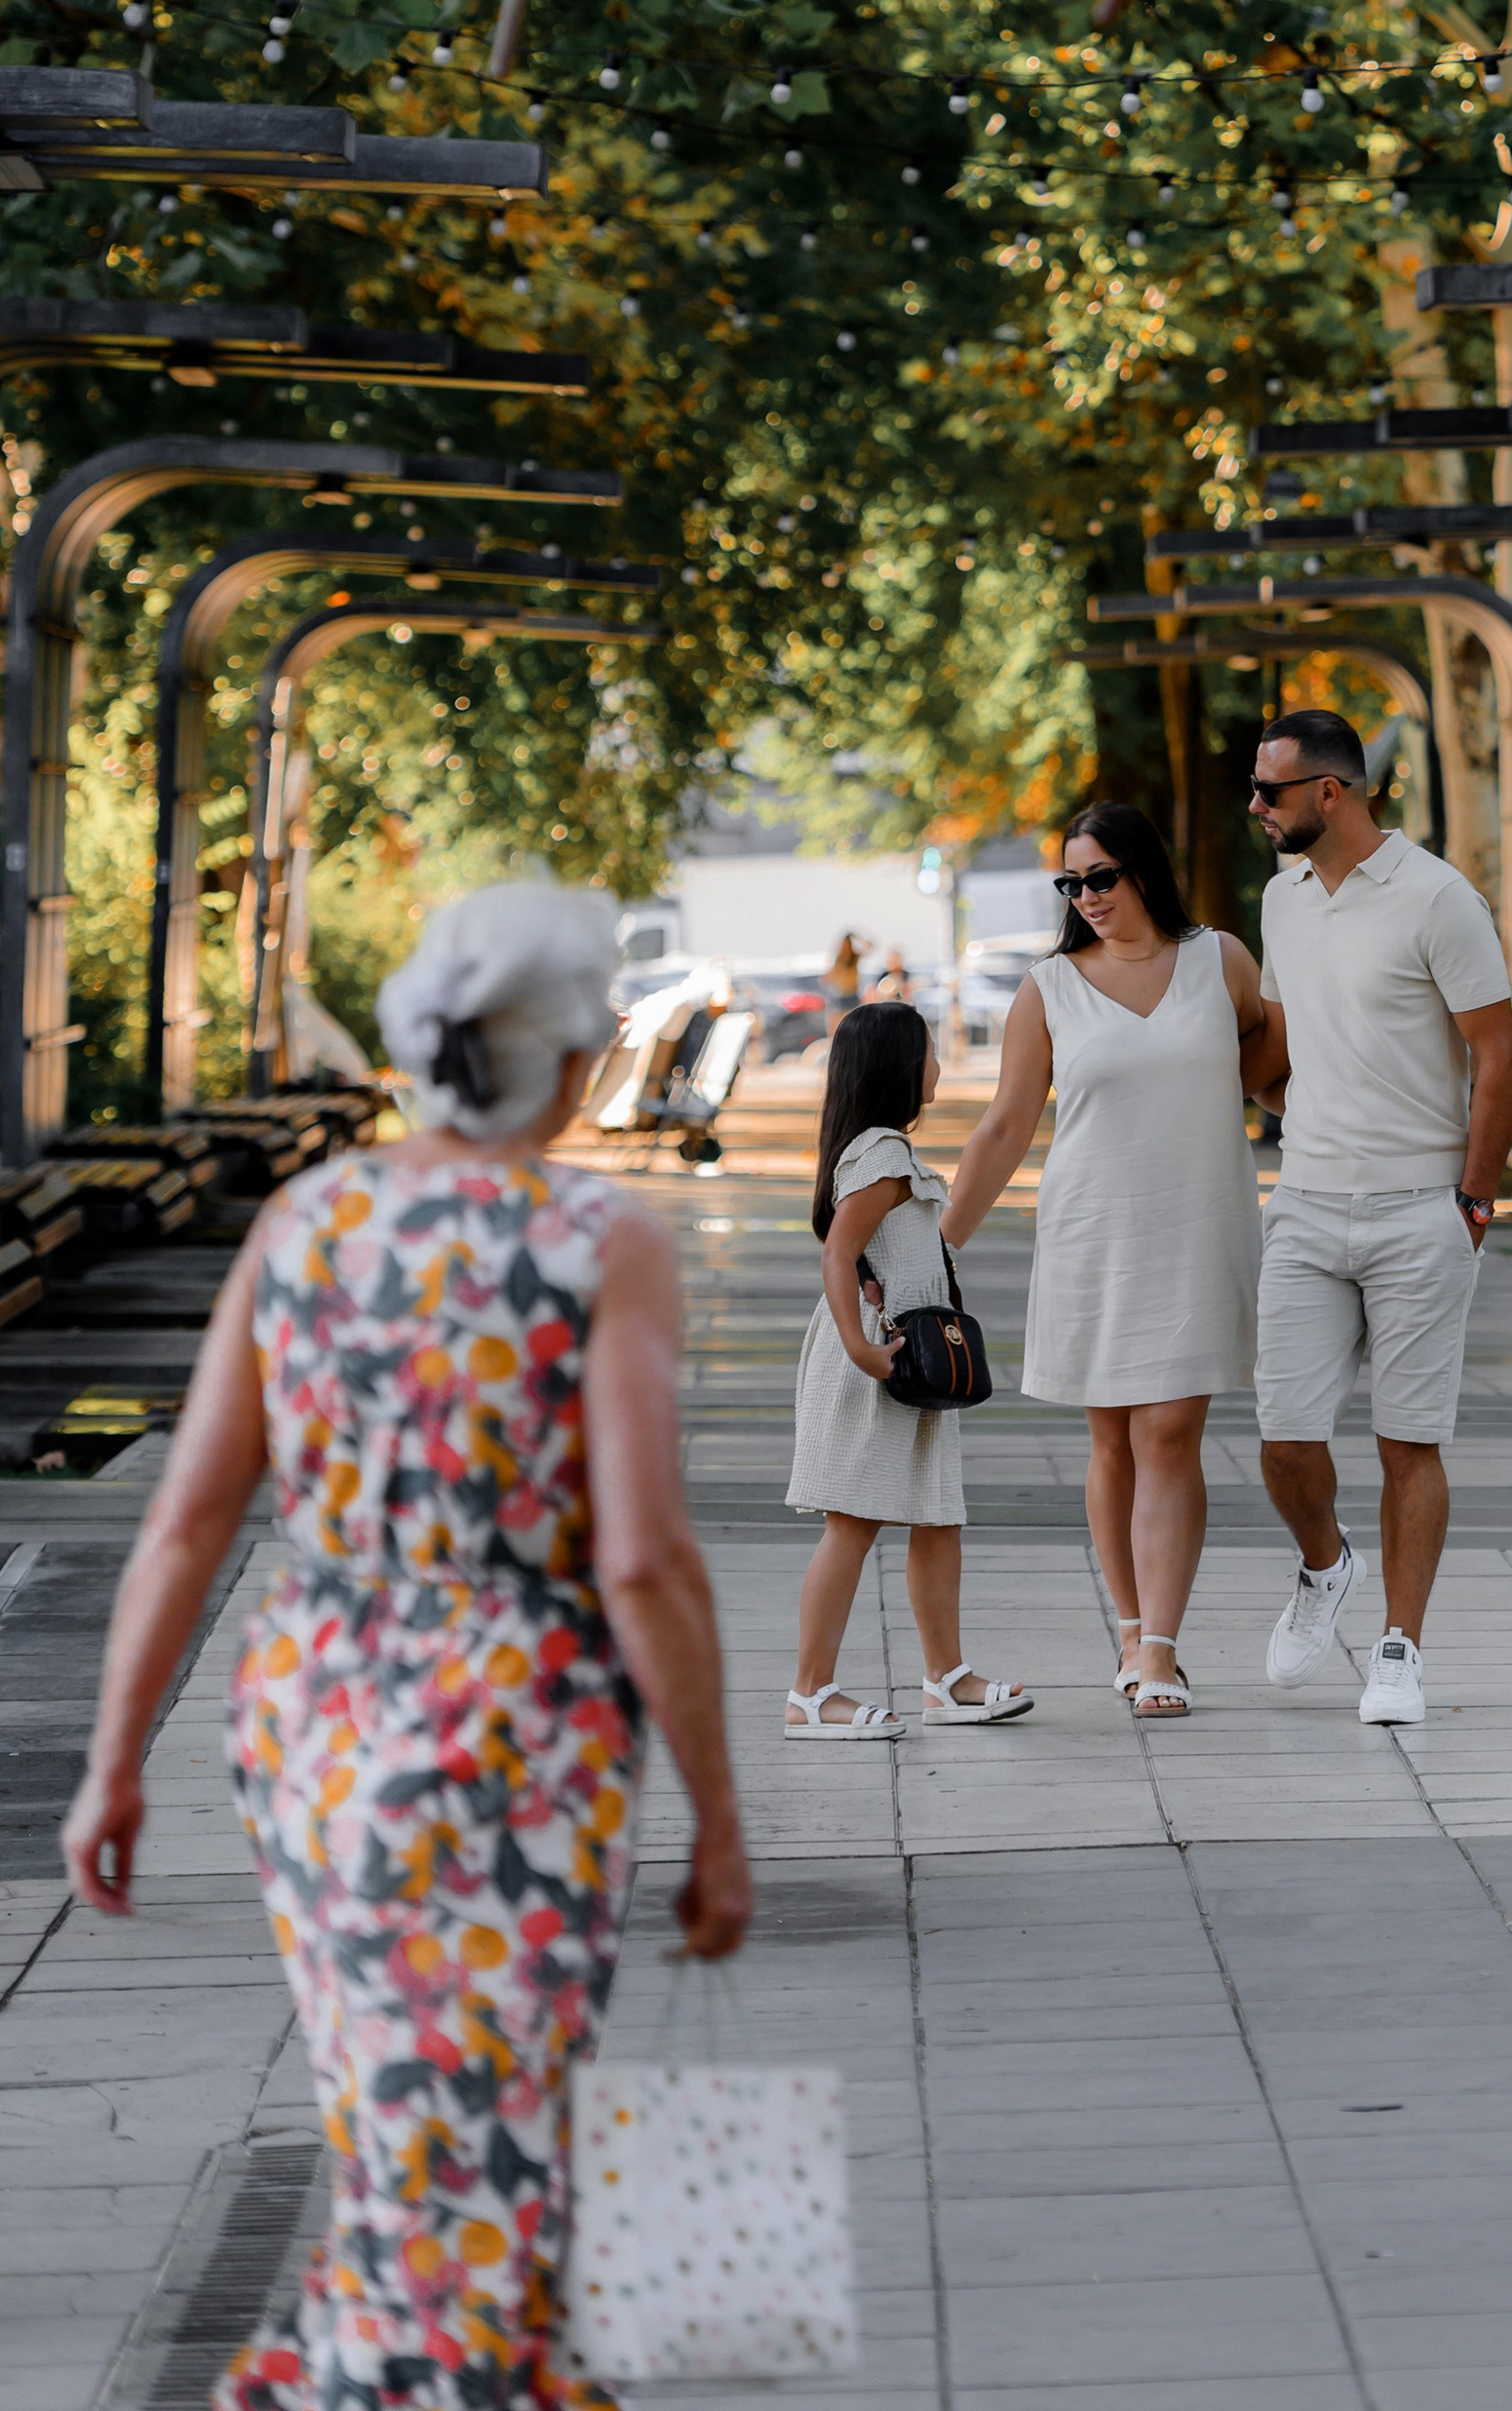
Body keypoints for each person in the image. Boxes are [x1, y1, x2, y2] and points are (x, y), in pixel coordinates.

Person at [60, 880, 751, 2411]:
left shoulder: (315, 1217)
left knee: (399, 2116)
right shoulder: (596, 1237)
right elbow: (640, 1561)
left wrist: (111, 1767)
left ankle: (429, 2368)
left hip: (310, 1718)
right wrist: (715, 1809)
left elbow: (186, 1521)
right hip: (515, 1735)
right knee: (487, 2120)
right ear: (575, 1064)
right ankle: (409, 2380)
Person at [944, 802, 1268, 1718]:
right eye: (1070, 883)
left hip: (1200, 1225)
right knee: (1112, 1438)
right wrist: (938, 1247)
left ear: (1144, 872)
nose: (1085, 897)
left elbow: (1272, 1056)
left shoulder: (1221, 960)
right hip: (1094, 1229)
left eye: (1101, 878)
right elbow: (1007, 1124)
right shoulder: (1049, 986)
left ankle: (1160, 1646)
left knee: (1169, 1431)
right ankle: (1130, 1628)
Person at [1249, 708, 1512, 1729]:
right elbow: (1278, 1044)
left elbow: (1497, 1055)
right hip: (1307, 1200)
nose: (1256, 806)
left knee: (1408, 1441)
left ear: (1333, 791)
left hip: (1420, 1207)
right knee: (1283, 1436)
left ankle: (1399, 1649)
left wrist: (1474, 1197)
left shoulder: (1437, 897)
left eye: (1270, 790)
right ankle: (1325, 1566)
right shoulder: (1282, 900)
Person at [787, 997, 1031, 1732]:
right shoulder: (884, 1156)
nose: (938, 1059)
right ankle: (810, 1693)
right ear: (898, 1063)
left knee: (937, 1518)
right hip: (879, 1361)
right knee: (853, 1522)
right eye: (928, 1046)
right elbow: (837, 1252)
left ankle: (945, 1677)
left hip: (909, 1363)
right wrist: (862, 1349)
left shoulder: (888, 1151)